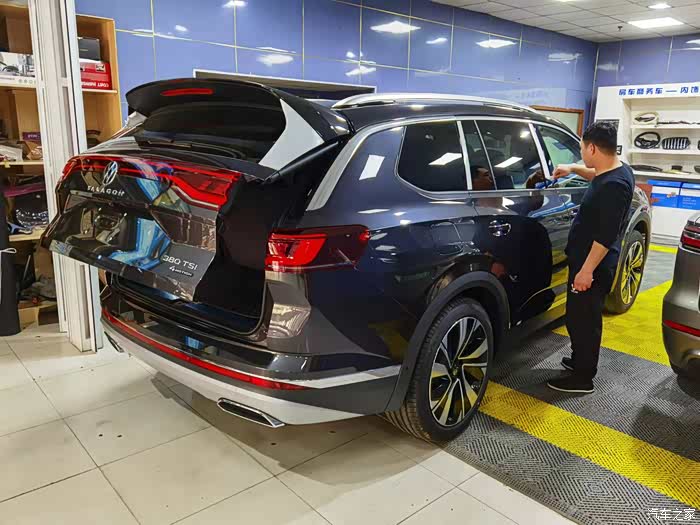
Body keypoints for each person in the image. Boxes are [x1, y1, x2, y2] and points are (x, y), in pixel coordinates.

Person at [547, 121, 634, 393]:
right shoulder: (616, 169)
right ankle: (579, 361)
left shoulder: (615, 186)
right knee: (577, 316)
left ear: (593, 148)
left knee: (585, 321)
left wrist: (586, 271)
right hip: (586, 261)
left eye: (582, 148)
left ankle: (583, 378)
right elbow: (595, 174)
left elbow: (605, 236)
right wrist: (572, 168)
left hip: (594, 266)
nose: (582, 153)